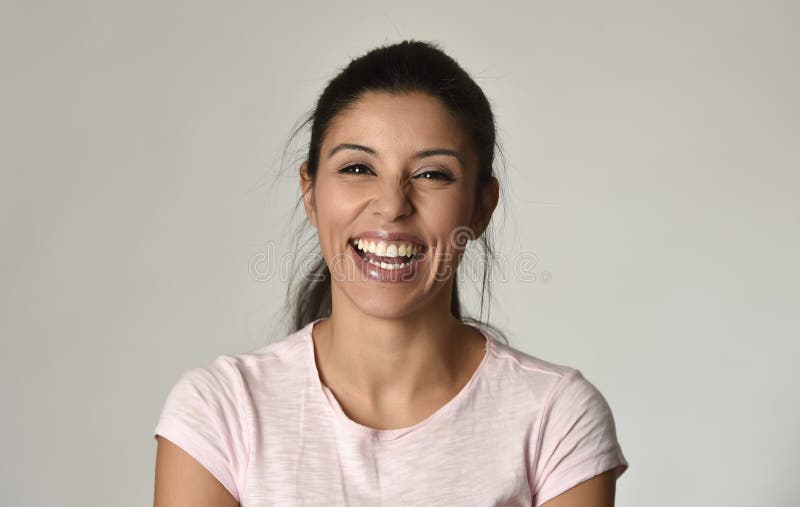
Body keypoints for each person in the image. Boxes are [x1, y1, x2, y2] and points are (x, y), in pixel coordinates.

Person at [153, 40, 628, 506]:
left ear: (482, 208)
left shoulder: (556, 417)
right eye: (358, 167)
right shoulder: (220, 412)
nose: (392, 206)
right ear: (310, 193)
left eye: (431, 174)